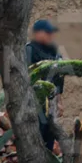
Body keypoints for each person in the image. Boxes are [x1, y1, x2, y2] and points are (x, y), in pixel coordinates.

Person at [25, 19, 64, 151]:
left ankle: (48, 159)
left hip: (51, 102)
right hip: (35, 101)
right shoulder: (29, 50)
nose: (51, 36)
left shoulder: (55, 52)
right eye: (48, 33)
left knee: (50, 134)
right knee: (37, 135)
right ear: (38, 33)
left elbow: (59, 78)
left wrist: (59, 101)